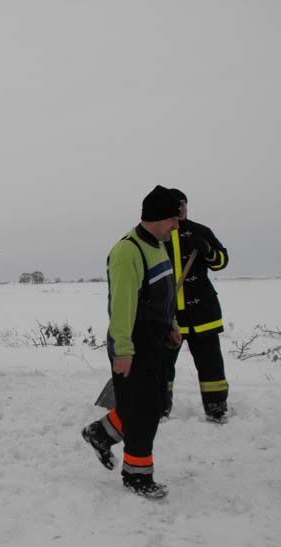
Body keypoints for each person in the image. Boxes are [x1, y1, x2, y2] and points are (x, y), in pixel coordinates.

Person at [81, 185, 182, 500]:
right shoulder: (128, 252)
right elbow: (122, 307)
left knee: (148, 404)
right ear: (158, 217)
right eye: (173, 219)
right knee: (144, 413)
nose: (176, 226)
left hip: (156, 340)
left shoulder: (158, 247)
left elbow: (164, 295)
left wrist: (172, 325)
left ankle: (100, 434)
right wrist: (123, 350)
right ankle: (137, 476)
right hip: (133, 343)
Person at [164, 188, 230, 423]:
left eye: (184, 204)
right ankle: (158, 409)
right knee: (161, 366)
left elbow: (221, 262)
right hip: (169, 316)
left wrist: (208, 251)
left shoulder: (201, 232)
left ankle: (216, 408)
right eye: (176, 205)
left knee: (211, 366)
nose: (181, 208)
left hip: (203, 314)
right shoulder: (158, 236)